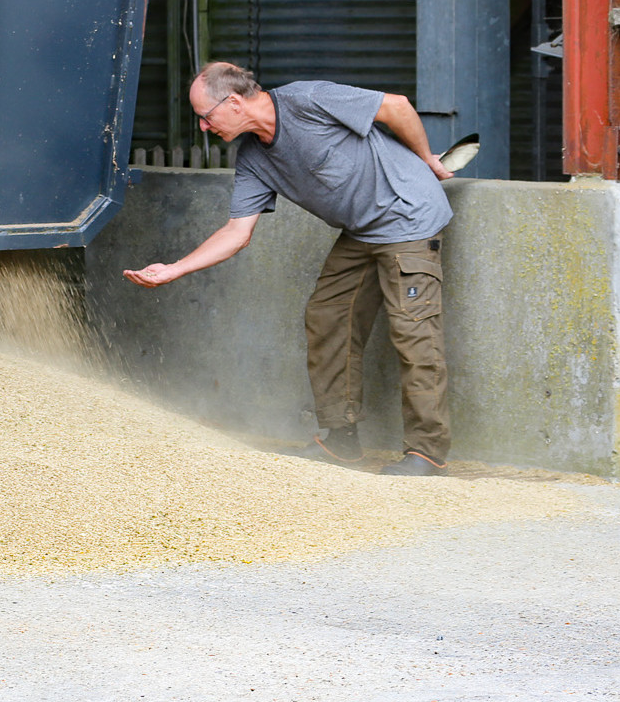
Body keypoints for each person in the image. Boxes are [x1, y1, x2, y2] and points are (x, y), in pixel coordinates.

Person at [124, 62, 456, 475]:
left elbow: (396, 107)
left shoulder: (307, 99)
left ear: (232, 103)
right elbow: (236, 232)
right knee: (328, 317)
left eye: (205, 118)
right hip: (363, 230)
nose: (204, 129)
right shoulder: (253, 159)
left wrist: (428, 159)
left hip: (409, 217)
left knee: (413, 330)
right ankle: (342, 441)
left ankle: (426, 452)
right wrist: (174, 269)